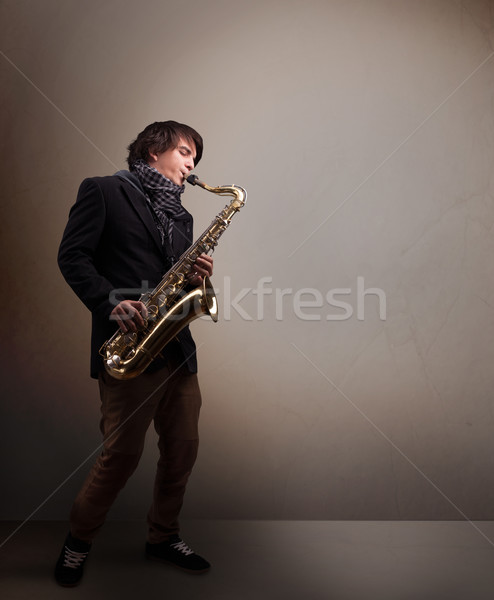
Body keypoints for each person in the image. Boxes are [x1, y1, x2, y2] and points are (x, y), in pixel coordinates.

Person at [55, 120, 213, 587]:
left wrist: (199, 278)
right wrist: (109, 302)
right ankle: (77, 544)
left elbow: (180, 283)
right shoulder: (103, 191)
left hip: (177, 352)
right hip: (130, 348)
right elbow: (72, 256)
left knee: (183, 450)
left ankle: (163, 536)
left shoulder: (182, 216)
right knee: (120, 457)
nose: (191, 165)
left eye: (195, 158)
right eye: (185, 152)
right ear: (151, 151)